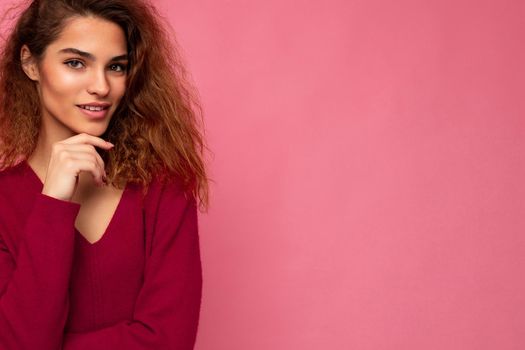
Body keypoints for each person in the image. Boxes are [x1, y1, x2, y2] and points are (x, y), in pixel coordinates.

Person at [0, 0, 210, 349]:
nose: (101, 86)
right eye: (75, 63)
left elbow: (170, 340)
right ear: (30, 63)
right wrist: (53, 202)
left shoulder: (163, 186)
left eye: (116, 66)